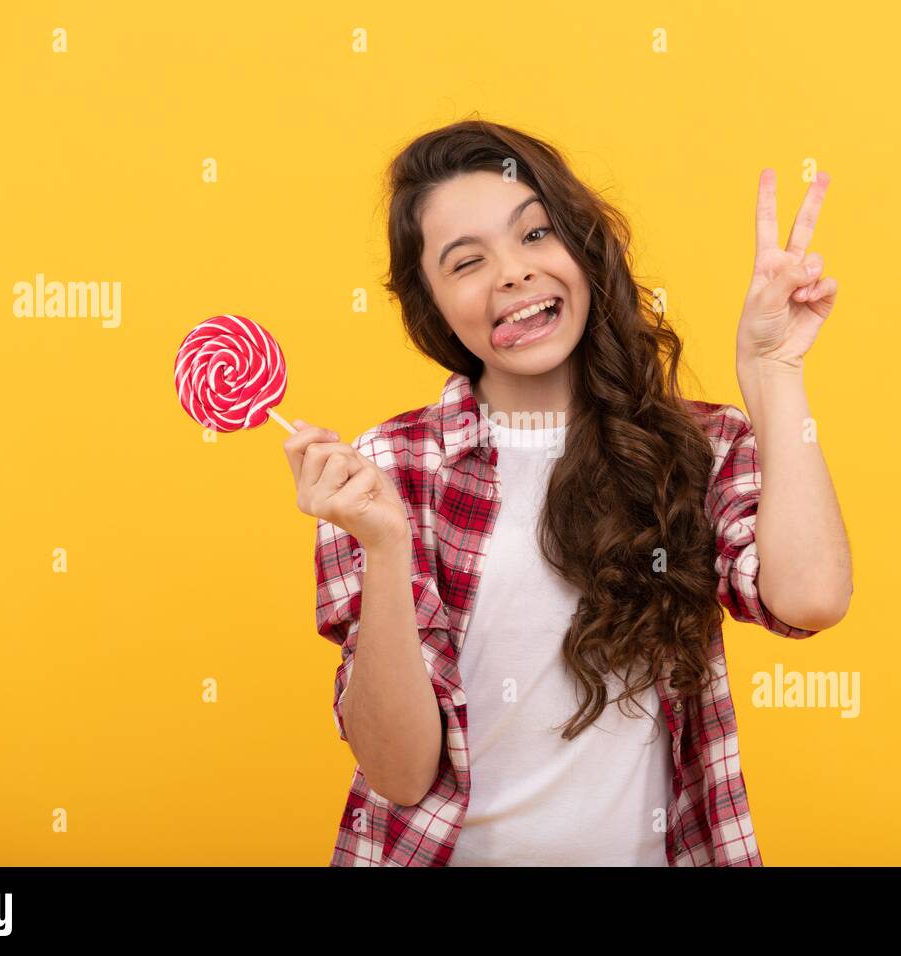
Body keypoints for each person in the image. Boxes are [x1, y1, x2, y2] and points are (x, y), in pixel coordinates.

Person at [284, 118, 852, 866]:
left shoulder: (698, 447)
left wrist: (774, 370)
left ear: (583, 250)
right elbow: (398, 771)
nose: (513, 273)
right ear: (432, 306)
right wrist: (384, 546)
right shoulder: (388, 468)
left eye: (534, 234)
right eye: (466, 262)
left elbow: (810, 599)